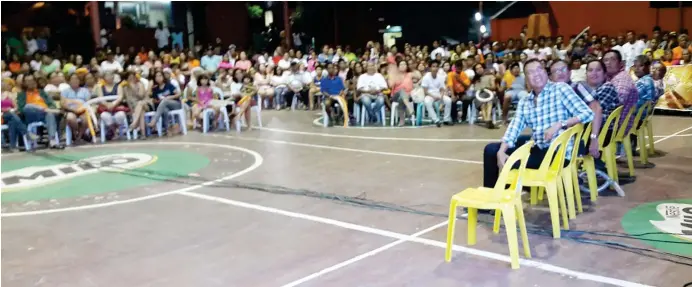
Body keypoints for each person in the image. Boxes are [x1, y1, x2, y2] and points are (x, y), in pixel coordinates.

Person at [482, 59, 594, 188]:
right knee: (492, 150)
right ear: (527, 79)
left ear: (546, 73)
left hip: (558, 155)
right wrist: (502, 150)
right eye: (530, 72)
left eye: (539, 69)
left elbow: (587, 113)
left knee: (511, 161)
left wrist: (560, 124)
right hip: (540, 149)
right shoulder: (525, 101)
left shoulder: (560, 89)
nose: (536, 74)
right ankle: (494, 198)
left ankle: (505, 196)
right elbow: (514, 128)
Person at [17, 74, 64, 149]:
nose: (30, 82)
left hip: (44, 115)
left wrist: (49, 109)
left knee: (50, 114)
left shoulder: (41, 92)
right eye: (27, 81)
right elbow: (21, 109)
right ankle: (45, 109)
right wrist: (44, 109)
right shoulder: (21, 94)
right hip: (30, 116)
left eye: (31, 80)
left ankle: (52, 140)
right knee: (27, 106)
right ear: (24, 83)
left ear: (35, 81)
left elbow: (52, 105)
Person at [603, 50, 638, 136]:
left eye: (613, 59)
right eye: (605, 60)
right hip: (617, 123)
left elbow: (618, 101)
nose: (608, 63)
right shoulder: (612, 77)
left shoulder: (622, 79)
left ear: (620, 63)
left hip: (618, 126)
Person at [2, 79, 38, 151]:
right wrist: (5, 109)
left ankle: (12, 146)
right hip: (2, 115)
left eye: (8, 84)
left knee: (12, 121)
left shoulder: (9, 94)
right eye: (5, 84)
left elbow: (16, 106)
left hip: (9, 115)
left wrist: (13, 109)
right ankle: (27, 134)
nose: (6, 85)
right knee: (12, 117)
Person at [147, 70, 182, 135]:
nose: (158, 78)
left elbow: (179, 94)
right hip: (163, 106)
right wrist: (158, 101)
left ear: (163, 77)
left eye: (160, 76)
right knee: (165, 109)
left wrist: (170, 97)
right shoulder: (155, 89)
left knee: (165, 101)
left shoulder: (169, 85)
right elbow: (155, 101)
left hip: (175, 104)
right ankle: (167, 129)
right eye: (156, 76)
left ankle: (154, 120)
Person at [421, 60, 452, 127]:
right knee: (427, 102)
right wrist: (433, 96)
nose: (435, 68)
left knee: (448, 100)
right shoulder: (426, 77)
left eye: (436, 67)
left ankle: (446, 119)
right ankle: (436, 120)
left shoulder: (440, 77)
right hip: (429, 94)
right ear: (430, 68)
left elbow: (442, 89)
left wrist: (441, 96)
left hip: (438, 94)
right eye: (433, 66)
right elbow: (425, 91)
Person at [389, 59, 415, 126]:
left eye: (404, 64)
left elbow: (421, 77)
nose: (403, 65)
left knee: (402, 98)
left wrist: (417, 83)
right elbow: (390, 85)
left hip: (408, 96)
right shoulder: (395, 76)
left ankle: (402, 120)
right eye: (401, 64)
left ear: (407, 66)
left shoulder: (410, 74)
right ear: (398, 67)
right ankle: (409, 109)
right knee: (401, 90)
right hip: (395, 95)